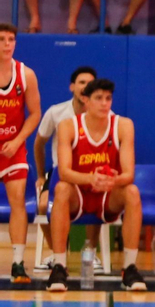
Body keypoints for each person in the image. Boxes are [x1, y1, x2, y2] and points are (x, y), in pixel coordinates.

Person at [45, 78, 145, 292]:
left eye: (108, 98)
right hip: (80, 192)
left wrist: (111, 180)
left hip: (109, 194)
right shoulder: (68, 126)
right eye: (98, 98)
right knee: (61, 189)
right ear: (85, 100)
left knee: (133, 192)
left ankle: (129, 268)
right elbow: (64, 172)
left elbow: (129, 174)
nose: (104, 103)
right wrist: (91, 178)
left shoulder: (124, 125)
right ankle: (59, 267)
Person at [31, 65, 94, 270]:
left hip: (90, 172)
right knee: (41, 206)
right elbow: (39, 144)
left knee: (97, 204)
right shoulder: (56, 112)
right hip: (61, 173)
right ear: (72, 87)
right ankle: (57, 254)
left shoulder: (103, 113)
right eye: (82, 82)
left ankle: (91, 253)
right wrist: (41, 176)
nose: (86, 87)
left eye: (90, 83)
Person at [0, 25, 40, 285]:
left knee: (17, 200)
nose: (7, 44)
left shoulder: (26, 74)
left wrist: (17, 140)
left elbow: (35, 113)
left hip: (13, 147)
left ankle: (17, 263)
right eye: (2, 39)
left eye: (11, 39)